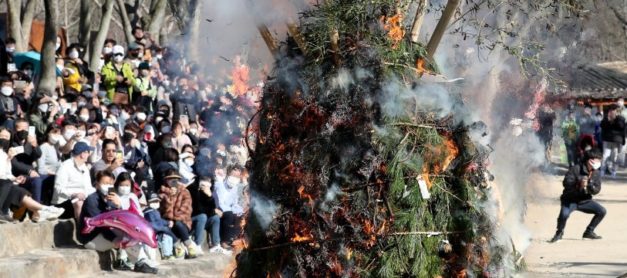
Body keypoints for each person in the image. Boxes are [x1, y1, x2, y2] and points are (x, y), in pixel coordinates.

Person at [77, 170, 158, 274]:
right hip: (91, 238)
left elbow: (122, 220)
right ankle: (139, 262)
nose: (108, 186)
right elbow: (100, 225)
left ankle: (141, 262)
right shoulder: (92, 200)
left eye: (110, 184)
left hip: (105, 235)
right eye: (105, 183)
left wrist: (119, 206)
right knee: (126, 236)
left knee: (131, 232)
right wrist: (114, 239)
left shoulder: (111, 198)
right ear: (97, 184)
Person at [0, 128, 64, 223]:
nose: (4, 139)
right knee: (11, 185)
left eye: (7, 137)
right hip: (4, 183)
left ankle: (41, 210)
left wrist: (15, 178)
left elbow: (7, 173)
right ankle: (42, 209)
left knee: (17, 189)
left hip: (7, 182)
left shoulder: (6, 154)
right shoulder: (10, 151)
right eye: (2, 136)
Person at [550, 150, 606, 242]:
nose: (599, 162)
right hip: (570, 200)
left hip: (585, 201)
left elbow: (597, 190)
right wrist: (578, 184)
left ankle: (589, 232)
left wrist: (589, 185)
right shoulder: (575, 169)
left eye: (600, 160)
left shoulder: (596, 173)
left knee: (602, 211)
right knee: (564, 215)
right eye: (597, 160)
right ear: (590, 160)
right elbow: (566, 183)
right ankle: (559, 233)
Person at [158, 170, 200, 259]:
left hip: (182, 222)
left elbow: (185, 211)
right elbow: (162, 211)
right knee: (165, 227)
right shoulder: (162, 193)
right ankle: (178, 247)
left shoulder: (185, 192)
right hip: (168, 222)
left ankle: (189, 246)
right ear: (166, 180)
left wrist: (173, 219)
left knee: (178, 224)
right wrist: (169, 197)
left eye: (175, 179)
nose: (173, 181)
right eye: (170, 179)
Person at [52, 142, 95, 220]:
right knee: (78, 202)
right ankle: (80, 229)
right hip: (63, 202)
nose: (89, 154)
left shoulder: (84, 168)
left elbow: (88, 188)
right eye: (88, 152)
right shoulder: (65, 166)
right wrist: (74, 194)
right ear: (83, 154)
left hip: (81, 199)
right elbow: (58, 188)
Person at [190, 177, 231, 254]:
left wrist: (210, 197)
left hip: (204, 220)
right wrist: (213, 210)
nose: (206, 187)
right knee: (202, 216)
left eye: (208, 184)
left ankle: (216, 245)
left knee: (215, 218)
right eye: (204, 184)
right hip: (193, 219)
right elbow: (198, 210)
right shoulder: (194, 192)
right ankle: (197, 244)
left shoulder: (208, 193)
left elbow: (213, 207)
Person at [213, 165, 244, 249]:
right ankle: (224, 241)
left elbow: (234, 203)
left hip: (228, 209)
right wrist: (231, 210)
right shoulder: (219, 185)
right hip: (218, 208)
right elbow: (219, 202)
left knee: (240, 215)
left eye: (237, 176)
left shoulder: (235, 188)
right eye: (233, 176)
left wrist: (240, 211)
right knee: (230, 215)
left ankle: (234, 238)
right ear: (228, 174)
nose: (235, 178)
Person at [143, 193, 177, 260]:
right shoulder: (148, 212)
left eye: (157, 201)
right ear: (148, 202)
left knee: (168, 236)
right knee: (165, 236)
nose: (156, 203)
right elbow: (155, 225)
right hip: (153, 232)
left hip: (158, 231)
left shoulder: (155, 211)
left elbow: (159, 221)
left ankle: (169, 253)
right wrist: (167, 223)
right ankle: (166, 254)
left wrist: (166, 223)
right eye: (153, 201)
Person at [600, 104, 625, 177]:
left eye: (614, 110)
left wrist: (616, 118)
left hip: (616, 141)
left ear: (617, 111)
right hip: (607, 140)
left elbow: (621, 127)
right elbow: (602, 126)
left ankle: (614, 172)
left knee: (614, 157)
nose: (612, 112)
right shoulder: (606, 118)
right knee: (605, 156)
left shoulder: (621, 118)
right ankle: (602, 171)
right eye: (611, 110)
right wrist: (608, 119)